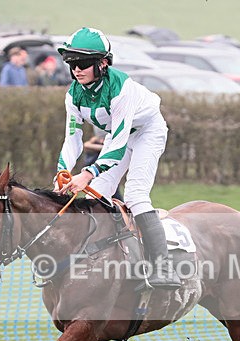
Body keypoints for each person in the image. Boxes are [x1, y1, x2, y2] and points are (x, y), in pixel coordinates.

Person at [54, 27, 180, 290]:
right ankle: (116, 262)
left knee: (135, 195)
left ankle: (162, 268)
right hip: (118, 136)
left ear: (103, 63)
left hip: (147, 132)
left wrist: (86, 173)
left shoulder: (121, 89)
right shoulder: (73, 95)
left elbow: (120, 144)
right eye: (72, 63)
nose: (77, 70)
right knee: (95, 197)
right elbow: (72, 140)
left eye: (83, 63)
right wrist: (62, 172)